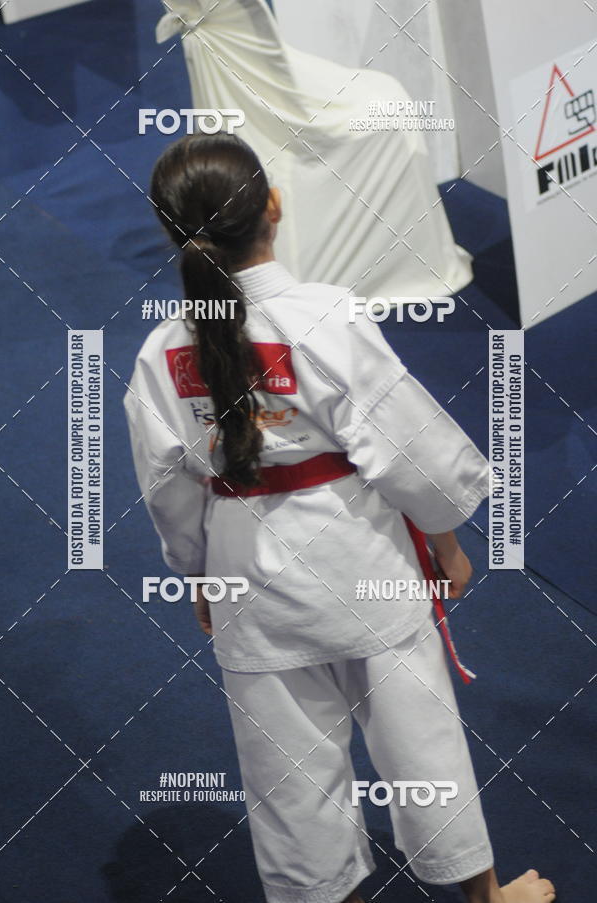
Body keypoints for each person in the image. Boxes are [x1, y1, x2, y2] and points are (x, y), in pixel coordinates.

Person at [123, 133, 556, 903]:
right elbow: (407, 446)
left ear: (171, 233)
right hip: (361, 564)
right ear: (274, 208)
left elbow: (168, 488)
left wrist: (197, 574)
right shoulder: (326, 318)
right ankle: (486, 895)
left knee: (286, 778)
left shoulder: (160, 354)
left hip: (247, 578)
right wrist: (448, 543)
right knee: (420, 741)